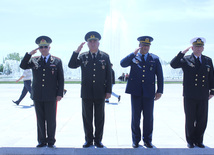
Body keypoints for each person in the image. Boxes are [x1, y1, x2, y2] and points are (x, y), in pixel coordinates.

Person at [68, 31, 112, 148]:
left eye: (95, 41)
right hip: (86, 92)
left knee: (99, 118)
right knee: (87, 118)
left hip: (100, 92)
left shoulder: (105, 56)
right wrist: (76, 52)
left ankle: (98, 140)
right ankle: (88, 139)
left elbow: (109, 75)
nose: (92, 43)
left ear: (98, 43)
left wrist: (108, 91)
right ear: (87, 44)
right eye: (90, 41)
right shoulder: (82, 56)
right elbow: (71, 65)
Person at [20, 36, 64, 148]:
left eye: (45, 47)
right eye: (41, 47)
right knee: (40, 119)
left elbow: (61, 79)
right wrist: (28, 54)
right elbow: (23, 65)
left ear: (49, 47)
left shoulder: (57, 61)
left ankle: (51, 141)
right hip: (38, 95)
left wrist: (59, 94)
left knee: (51, 119)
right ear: (38, 48)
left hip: (51, 95)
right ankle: (41, 140)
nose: (43, 49)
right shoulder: (34, 60)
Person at [170, 37, 214, 148]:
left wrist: (212, 91)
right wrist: (182, 52)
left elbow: (211, 77)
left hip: (203, 95)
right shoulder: (186, 59)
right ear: (192, 48)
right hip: (190, 94)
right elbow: (173, 64)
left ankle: (199, 140)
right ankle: (190, 140)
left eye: (200, 47)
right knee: (190, 118)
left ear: (203, 48)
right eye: (196, 47)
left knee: (202, 119)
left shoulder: (208, 60)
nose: (198, 49)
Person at [120, 36, 163, 148]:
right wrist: (132, 54)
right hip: (136, 92)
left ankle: (147, 140)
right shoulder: (134, 57)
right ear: (139, 46)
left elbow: (160, 76)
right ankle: (135, 140)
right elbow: (122, 64)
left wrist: (159, 91)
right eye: (143, 45)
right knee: (136, 117)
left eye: (147, 45)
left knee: (148, 117)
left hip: (149, 92)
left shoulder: (155, 58)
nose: (145, 47)